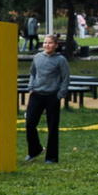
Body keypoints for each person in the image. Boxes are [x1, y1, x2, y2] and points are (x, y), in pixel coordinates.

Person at [24, 32, 69, 164]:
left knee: (52, 127)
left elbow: (65, 79)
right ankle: (34, 150)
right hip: (37, 94)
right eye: (45, 42)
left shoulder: (61, 60)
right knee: (30, 123)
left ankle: (51, 157)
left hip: (52, 96)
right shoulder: (37, 57)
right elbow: (32, 73)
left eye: (49, 43)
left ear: (55, 45)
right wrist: (31, 87)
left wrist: (60, 95)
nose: (46, 45)